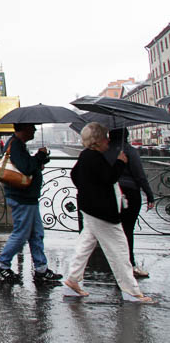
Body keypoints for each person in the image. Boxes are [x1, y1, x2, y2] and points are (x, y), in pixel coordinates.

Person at [63, 123, 153, 302]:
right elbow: (109, 178)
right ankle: (131, 291)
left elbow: (75, 176)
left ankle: (72, 281)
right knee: (119, 248)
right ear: (97, 140)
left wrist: (88, 190)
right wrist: (120, 162)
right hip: (102, 210)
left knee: (85, 244)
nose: (108, 141)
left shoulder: (85, 155)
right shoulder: (96, 157)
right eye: (105, 138)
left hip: (89, 208)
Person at [0, 123, 62, 284]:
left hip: (27, 197)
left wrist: (38, 160)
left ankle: (41, 269)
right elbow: (26, 167)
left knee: (36, 233)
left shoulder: (18, 144)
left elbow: (26, 165)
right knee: (21, 233)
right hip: (22, 198)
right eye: (32, 128)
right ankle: (2, 264)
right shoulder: (16, 145)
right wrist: (39, 157)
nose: (35, 130)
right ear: (24, 129)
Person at [104, 128, 155, 278]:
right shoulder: (129, 151)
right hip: (129, 193)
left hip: (109, 194)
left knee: (113, 231)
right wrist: (149, 195)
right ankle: (129, 264)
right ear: (125, 136)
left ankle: (116, 264)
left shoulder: (104, 151)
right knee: (127, 230)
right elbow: (140, 175)